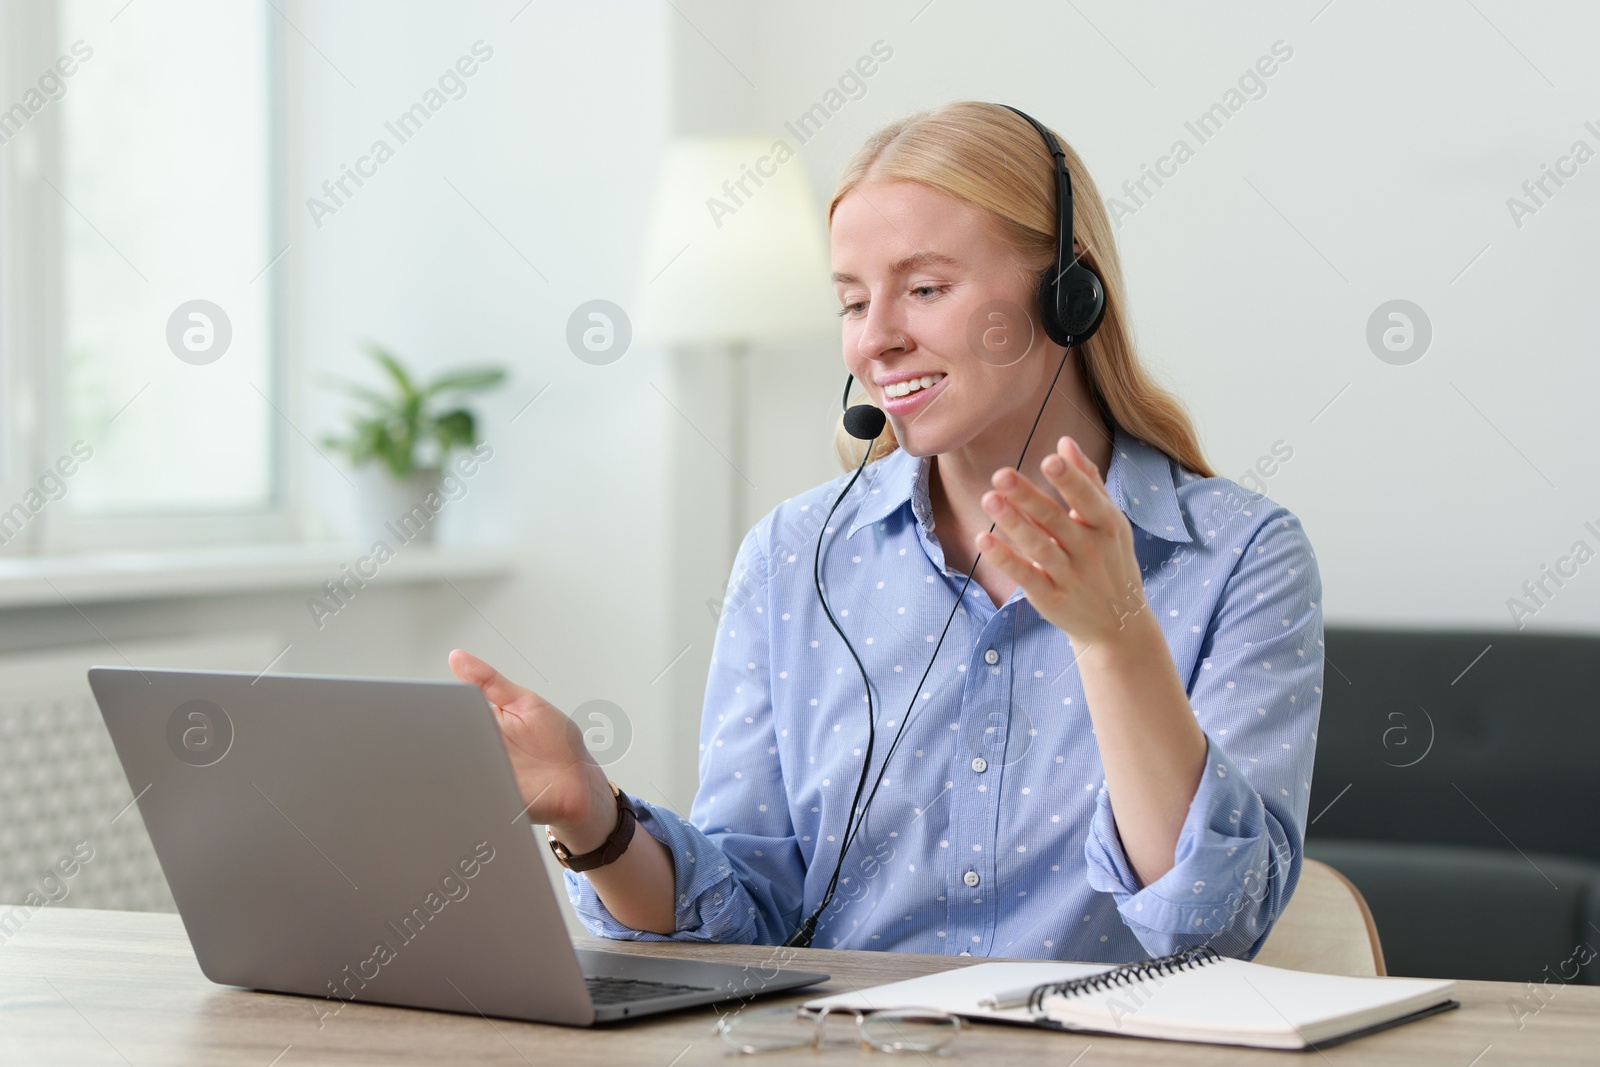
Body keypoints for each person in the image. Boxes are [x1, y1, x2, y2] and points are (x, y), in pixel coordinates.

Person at [450, 101, 1322, 962]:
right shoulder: (793, 558)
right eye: (852, 301)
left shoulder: (1239, 557)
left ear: (1069, 292)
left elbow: (1212, 927)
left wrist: (1115, 639)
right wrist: (592, 819)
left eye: (925, 289)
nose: (874, 340)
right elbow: (750, 919)